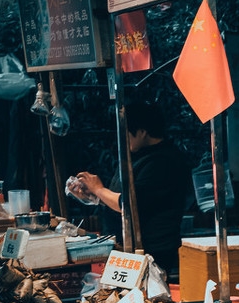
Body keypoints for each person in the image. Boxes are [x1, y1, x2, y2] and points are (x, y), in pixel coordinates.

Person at [71, 101, 191, 276]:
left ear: (142, 132)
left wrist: (98, 189)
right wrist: (92, 194)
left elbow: (128, 205)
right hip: (128, 246)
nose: (123, 139)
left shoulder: (163, 162)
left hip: (152, 251)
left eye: (127, 133)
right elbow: (120, 198)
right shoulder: (137, 156)